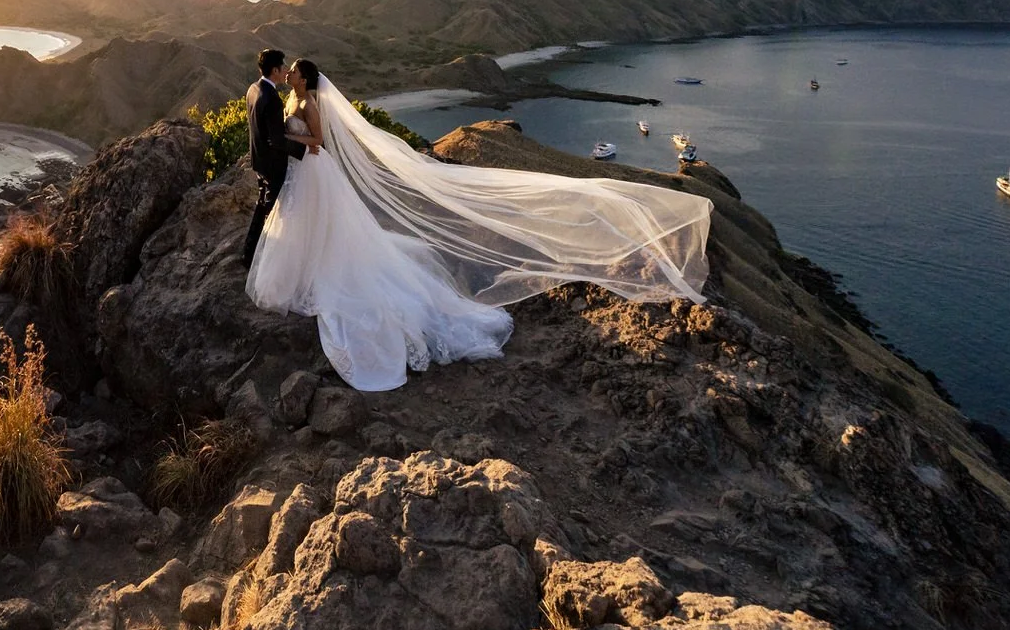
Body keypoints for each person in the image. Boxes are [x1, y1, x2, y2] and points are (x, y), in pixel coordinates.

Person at [245, 58, 712, 391]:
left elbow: (317, 138)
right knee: (308, 222)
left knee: (323, 224)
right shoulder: (290, 97)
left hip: (313, 168)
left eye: (296, 72)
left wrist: (295, 139)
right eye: (289, 71)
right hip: (305, 172)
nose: (291, 75)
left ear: (305, 77)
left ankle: (319, 268)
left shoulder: (308, 102)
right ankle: (307, 265)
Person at [240, 48, 305, 266]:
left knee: (262, 204)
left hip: (258, 158)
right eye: (283, 66)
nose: (286, 70)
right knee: (274, 210)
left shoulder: (253, 89)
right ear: (275, 70)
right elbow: (277, 140)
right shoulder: (272, 99)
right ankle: (268, 259)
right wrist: (303, 151)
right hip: (273, 163)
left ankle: (249, 252)